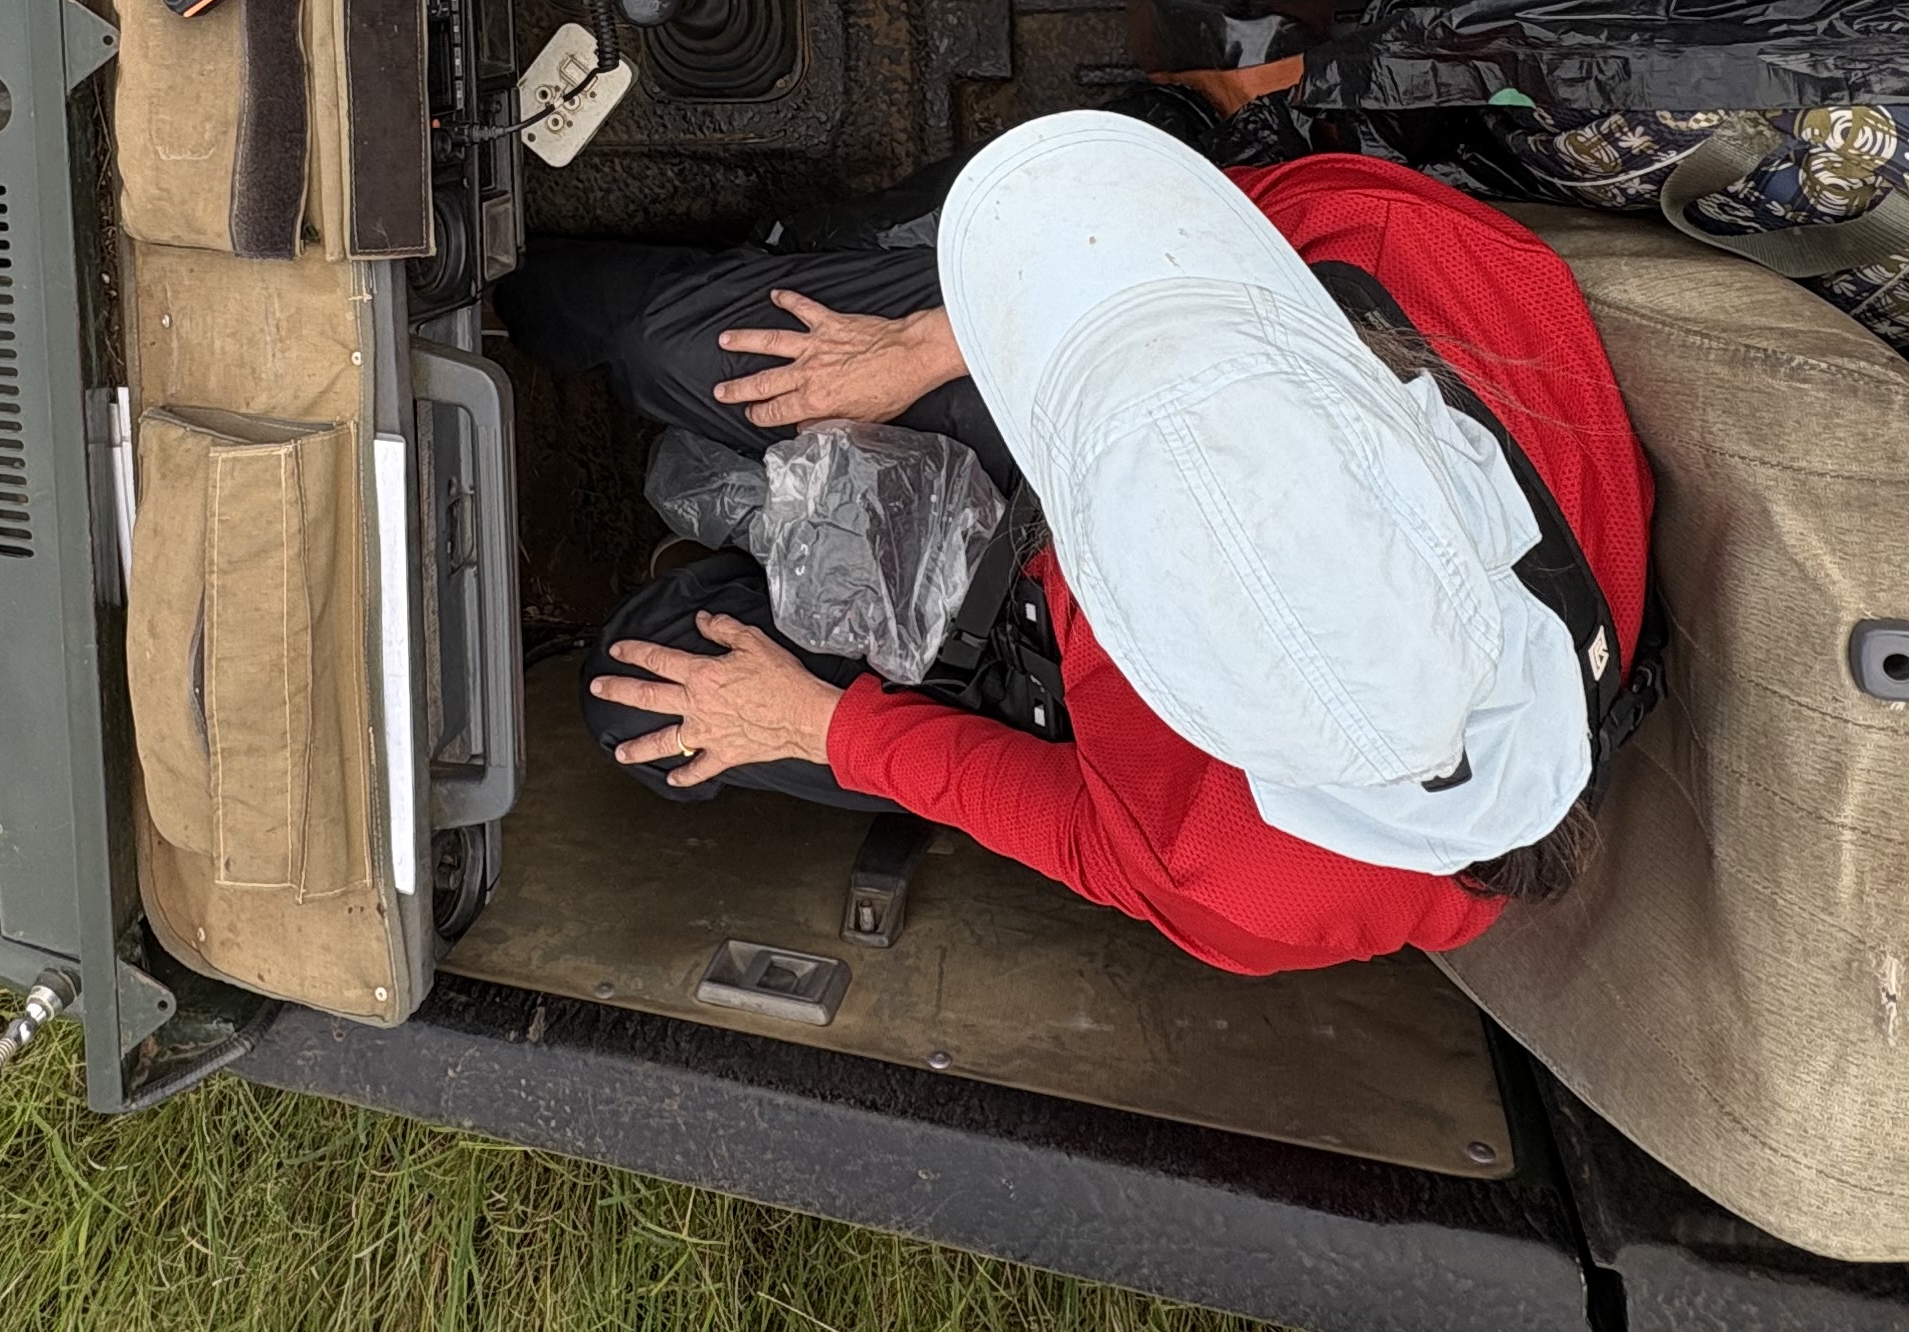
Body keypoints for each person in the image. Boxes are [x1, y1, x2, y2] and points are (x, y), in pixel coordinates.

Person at [493, 112, 1654, 975]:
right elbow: (1171, 221)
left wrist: (818, 725)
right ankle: (487, 279)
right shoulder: (1418, 272)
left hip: (1040, 632)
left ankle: (703, 573)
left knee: (639, 691)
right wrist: (943, 338)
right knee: (663, 345)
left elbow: (1080, 823)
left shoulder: (1256, 878)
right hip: (1111, 348)